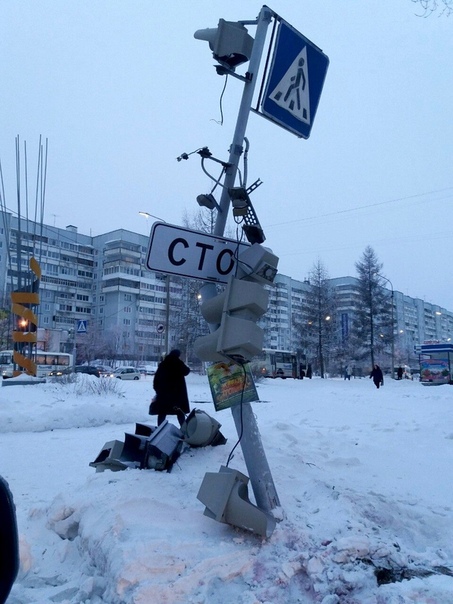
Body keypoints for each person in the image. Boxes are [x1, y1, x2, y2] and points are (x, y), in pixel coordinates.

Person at [149, 349, 190, 426]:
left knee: (162, 412)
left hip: (164, 394)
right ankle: (184, 430)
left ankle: (160, 429)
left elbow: (156, 379)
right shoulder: (178, 363)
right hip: (177, 394)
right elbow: (186, 371)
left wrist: (158, 390)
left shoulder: (163, 364)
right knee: (180, 412)